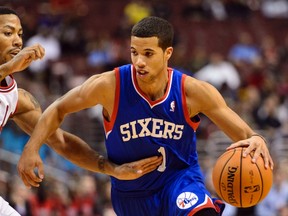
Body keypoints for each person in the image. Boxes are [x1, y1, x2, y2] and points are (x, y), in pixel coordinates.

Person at [18, 16, 274, 216]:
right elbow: (57, 108)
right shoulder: (111, 85)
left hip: (179, 180)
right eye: (134, 52)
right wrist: (32, 148)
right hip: (131, 192)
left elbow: (246, 135)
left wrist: (257, 139)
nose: (139, 61)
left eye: (148, 54)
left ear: (168, 53)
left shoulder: (192, 92)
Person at [0, 7, 162, 216]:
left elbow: (62, 142)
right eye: (7, 33)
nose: (17, 41)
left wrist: (113, 170)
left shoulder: (17, 99)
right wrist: (9, 67)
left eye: (20, 34)